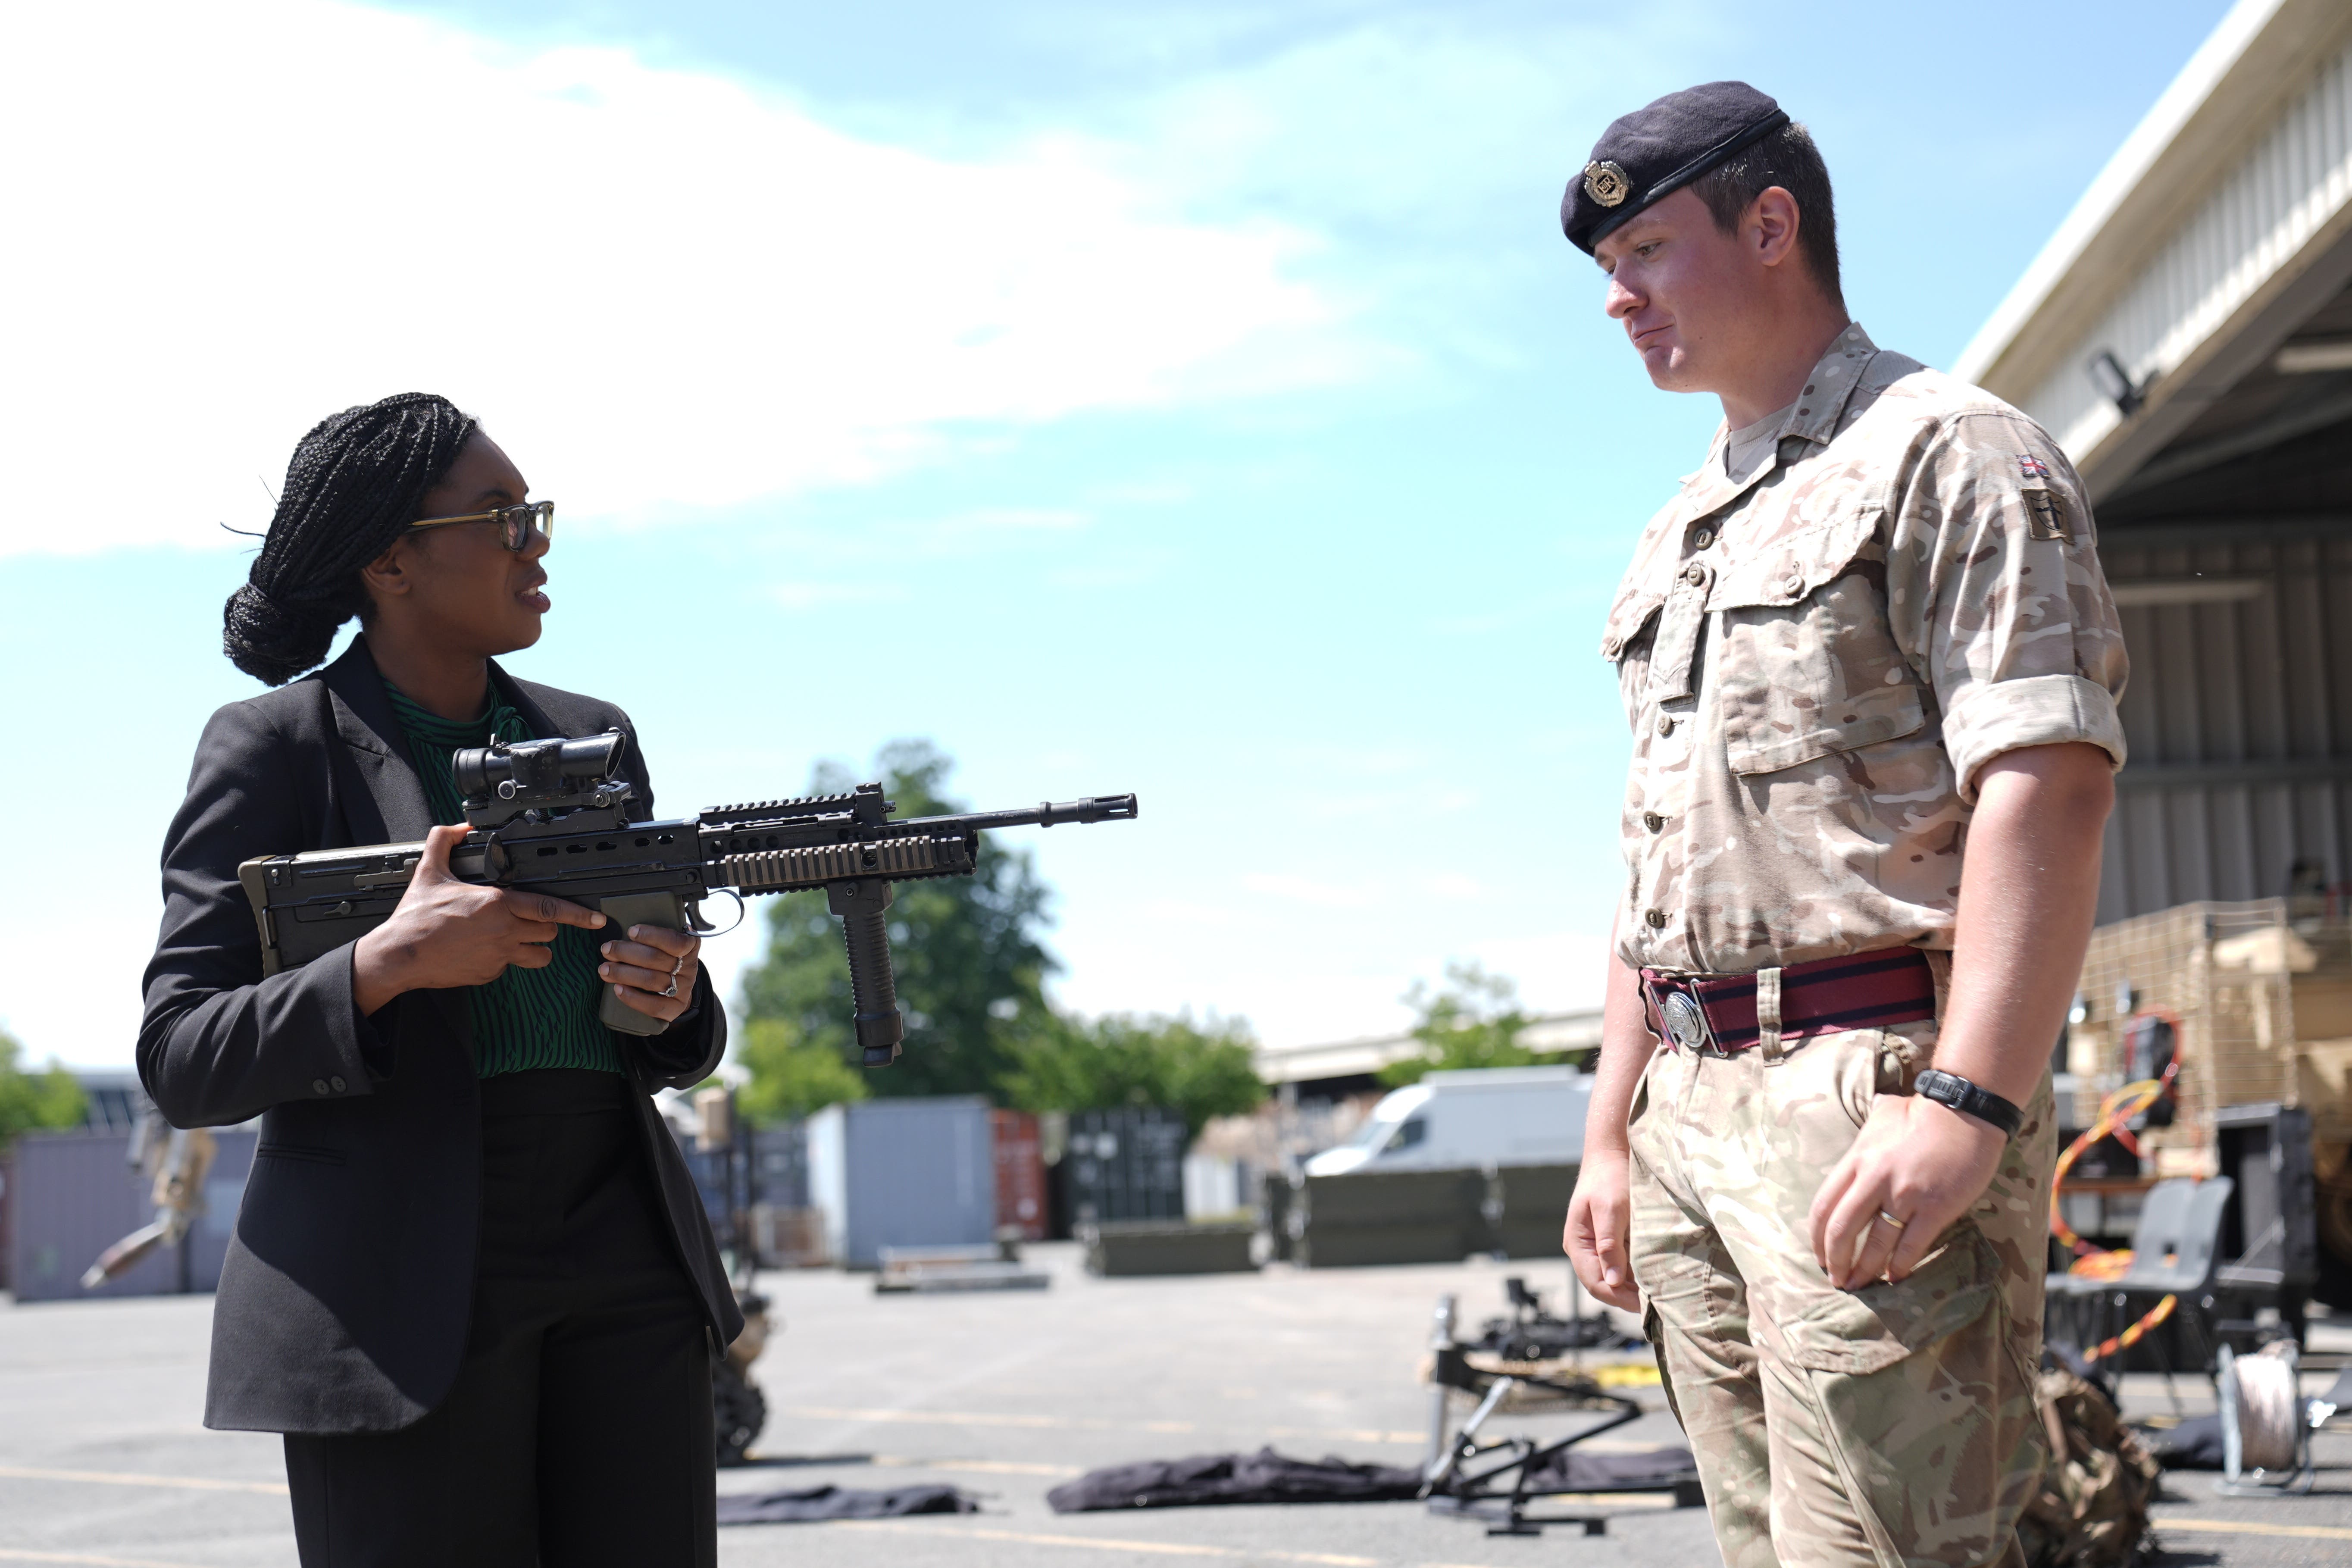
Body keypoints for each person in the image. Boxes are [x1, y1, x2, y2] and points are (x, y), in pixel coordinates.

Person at [1555, 85, 2127, 1567]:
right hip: (1688, 1102)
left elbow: (2047, 780)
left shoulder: (1950, 450)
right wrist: (1612, 1133)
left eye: (1650, 254)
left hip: (1865, 1091)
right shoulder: (1683, 527)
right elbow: (1652, 861)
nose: (1618, 302)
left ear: (1770, 226)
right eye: (1606, 273)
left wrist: (1968, 1102)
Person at [140, 393, 741, 1566]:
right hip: (394, 1284)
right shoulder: (275, 745)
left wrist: (670, 996)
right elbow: (182, 1055)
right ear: (390, 561)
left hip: (625, 1246)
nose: (538, 541)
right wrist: (386, 965)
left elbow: (672, 1034)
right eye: (501, 515)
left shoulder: (597, 737)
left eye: (535, 513)